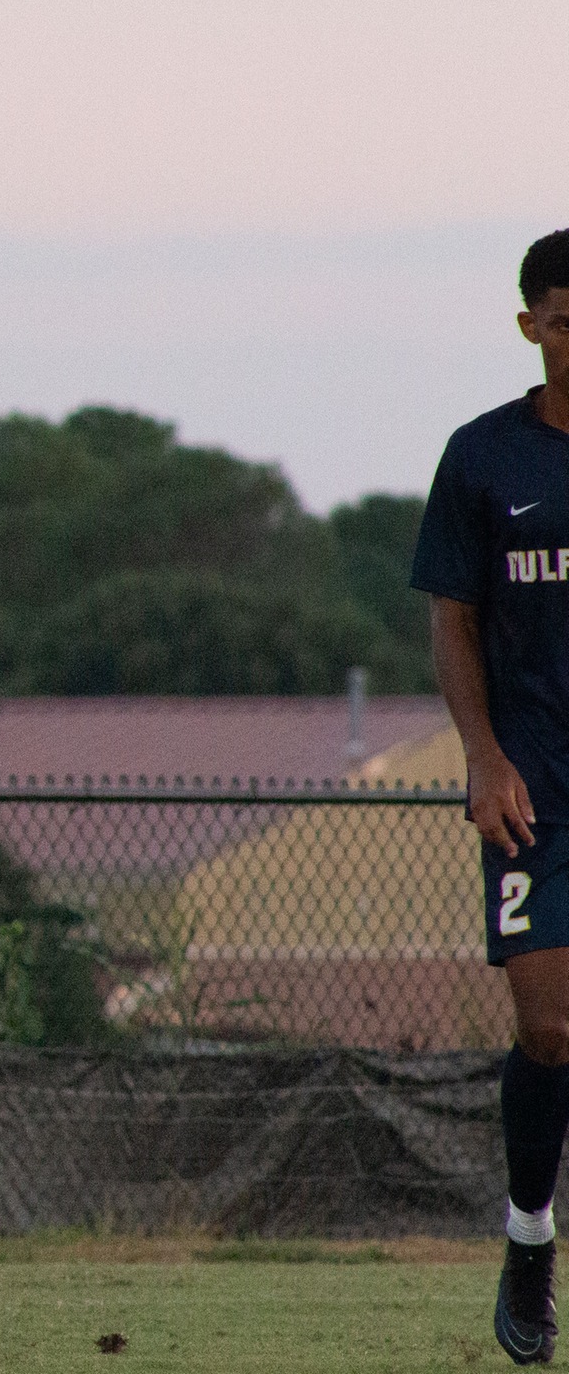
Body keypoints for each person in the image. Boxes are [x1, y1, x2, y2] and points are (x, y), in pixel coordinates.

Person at [415, 227, 569, 1368]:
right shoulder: (482, 459)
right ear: (530, 326)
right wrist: (482, 755)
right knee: (548, 1025)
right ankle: (527, 1237)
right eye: (568, 322)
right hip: (537, 785)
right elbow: (452, 617)